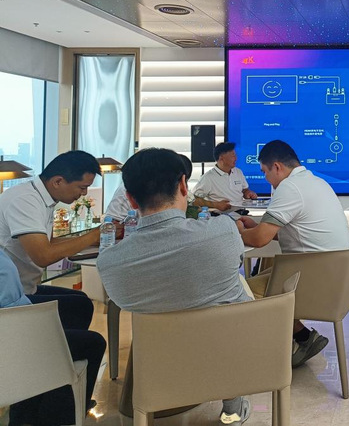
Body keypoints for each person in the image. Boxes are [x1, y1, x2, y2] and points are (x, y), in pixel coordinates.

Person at [96, 148, 253, 425]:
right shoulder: (223, 231)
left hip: (160, 365)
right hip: (230, 353)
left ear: (130, 198)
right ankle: (232, 405)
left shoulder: (110, 263)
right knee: (234, 286)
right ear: (183, 185)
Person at [238, 140, 349, 367]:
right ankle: (304, 337)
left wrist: (237, 231)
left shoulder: (289, 188)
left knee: (239, 291)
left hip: (312, 280)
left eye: (265, 172)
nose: (266, 179)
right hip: (335, 275)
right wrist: (257, 227)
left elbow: (260, 240)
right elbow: (298, 233)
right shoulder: (317, 182)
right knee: (266, 275)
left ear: (276, 167)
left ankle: (277, 353)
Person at [1, 249, 106, 426]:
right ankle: (56, 418)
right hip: (14, 333)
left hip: (19, 319)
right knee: (94, 344)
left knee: (79, 307)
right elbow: (43, 255)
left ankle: (36, 406)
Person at [0, 150, 101, 329]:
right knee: (81, 310)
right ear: (57, 181)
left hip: (26, 287)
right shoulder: (25, 200)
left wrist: (92, 240)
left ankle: (59, 344)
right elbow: (43, 256)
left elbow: (50, 243)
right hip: (10, 298)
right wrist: (92, 235)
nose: (84, 193)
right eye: (82, 187)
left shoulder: (42, 198)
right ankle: (50, 345)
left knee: (80, 302)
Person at [193, 142, 258, 212]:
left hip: (240, 213)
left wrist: (248, 193)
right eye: (233, 156)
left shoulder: (238, 172)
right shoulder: (208, 177)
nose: (236, 158)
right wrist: (216, 205)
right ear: (221, 158)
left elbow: (244, 190)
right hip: (219, 215)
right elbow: (194, 200)